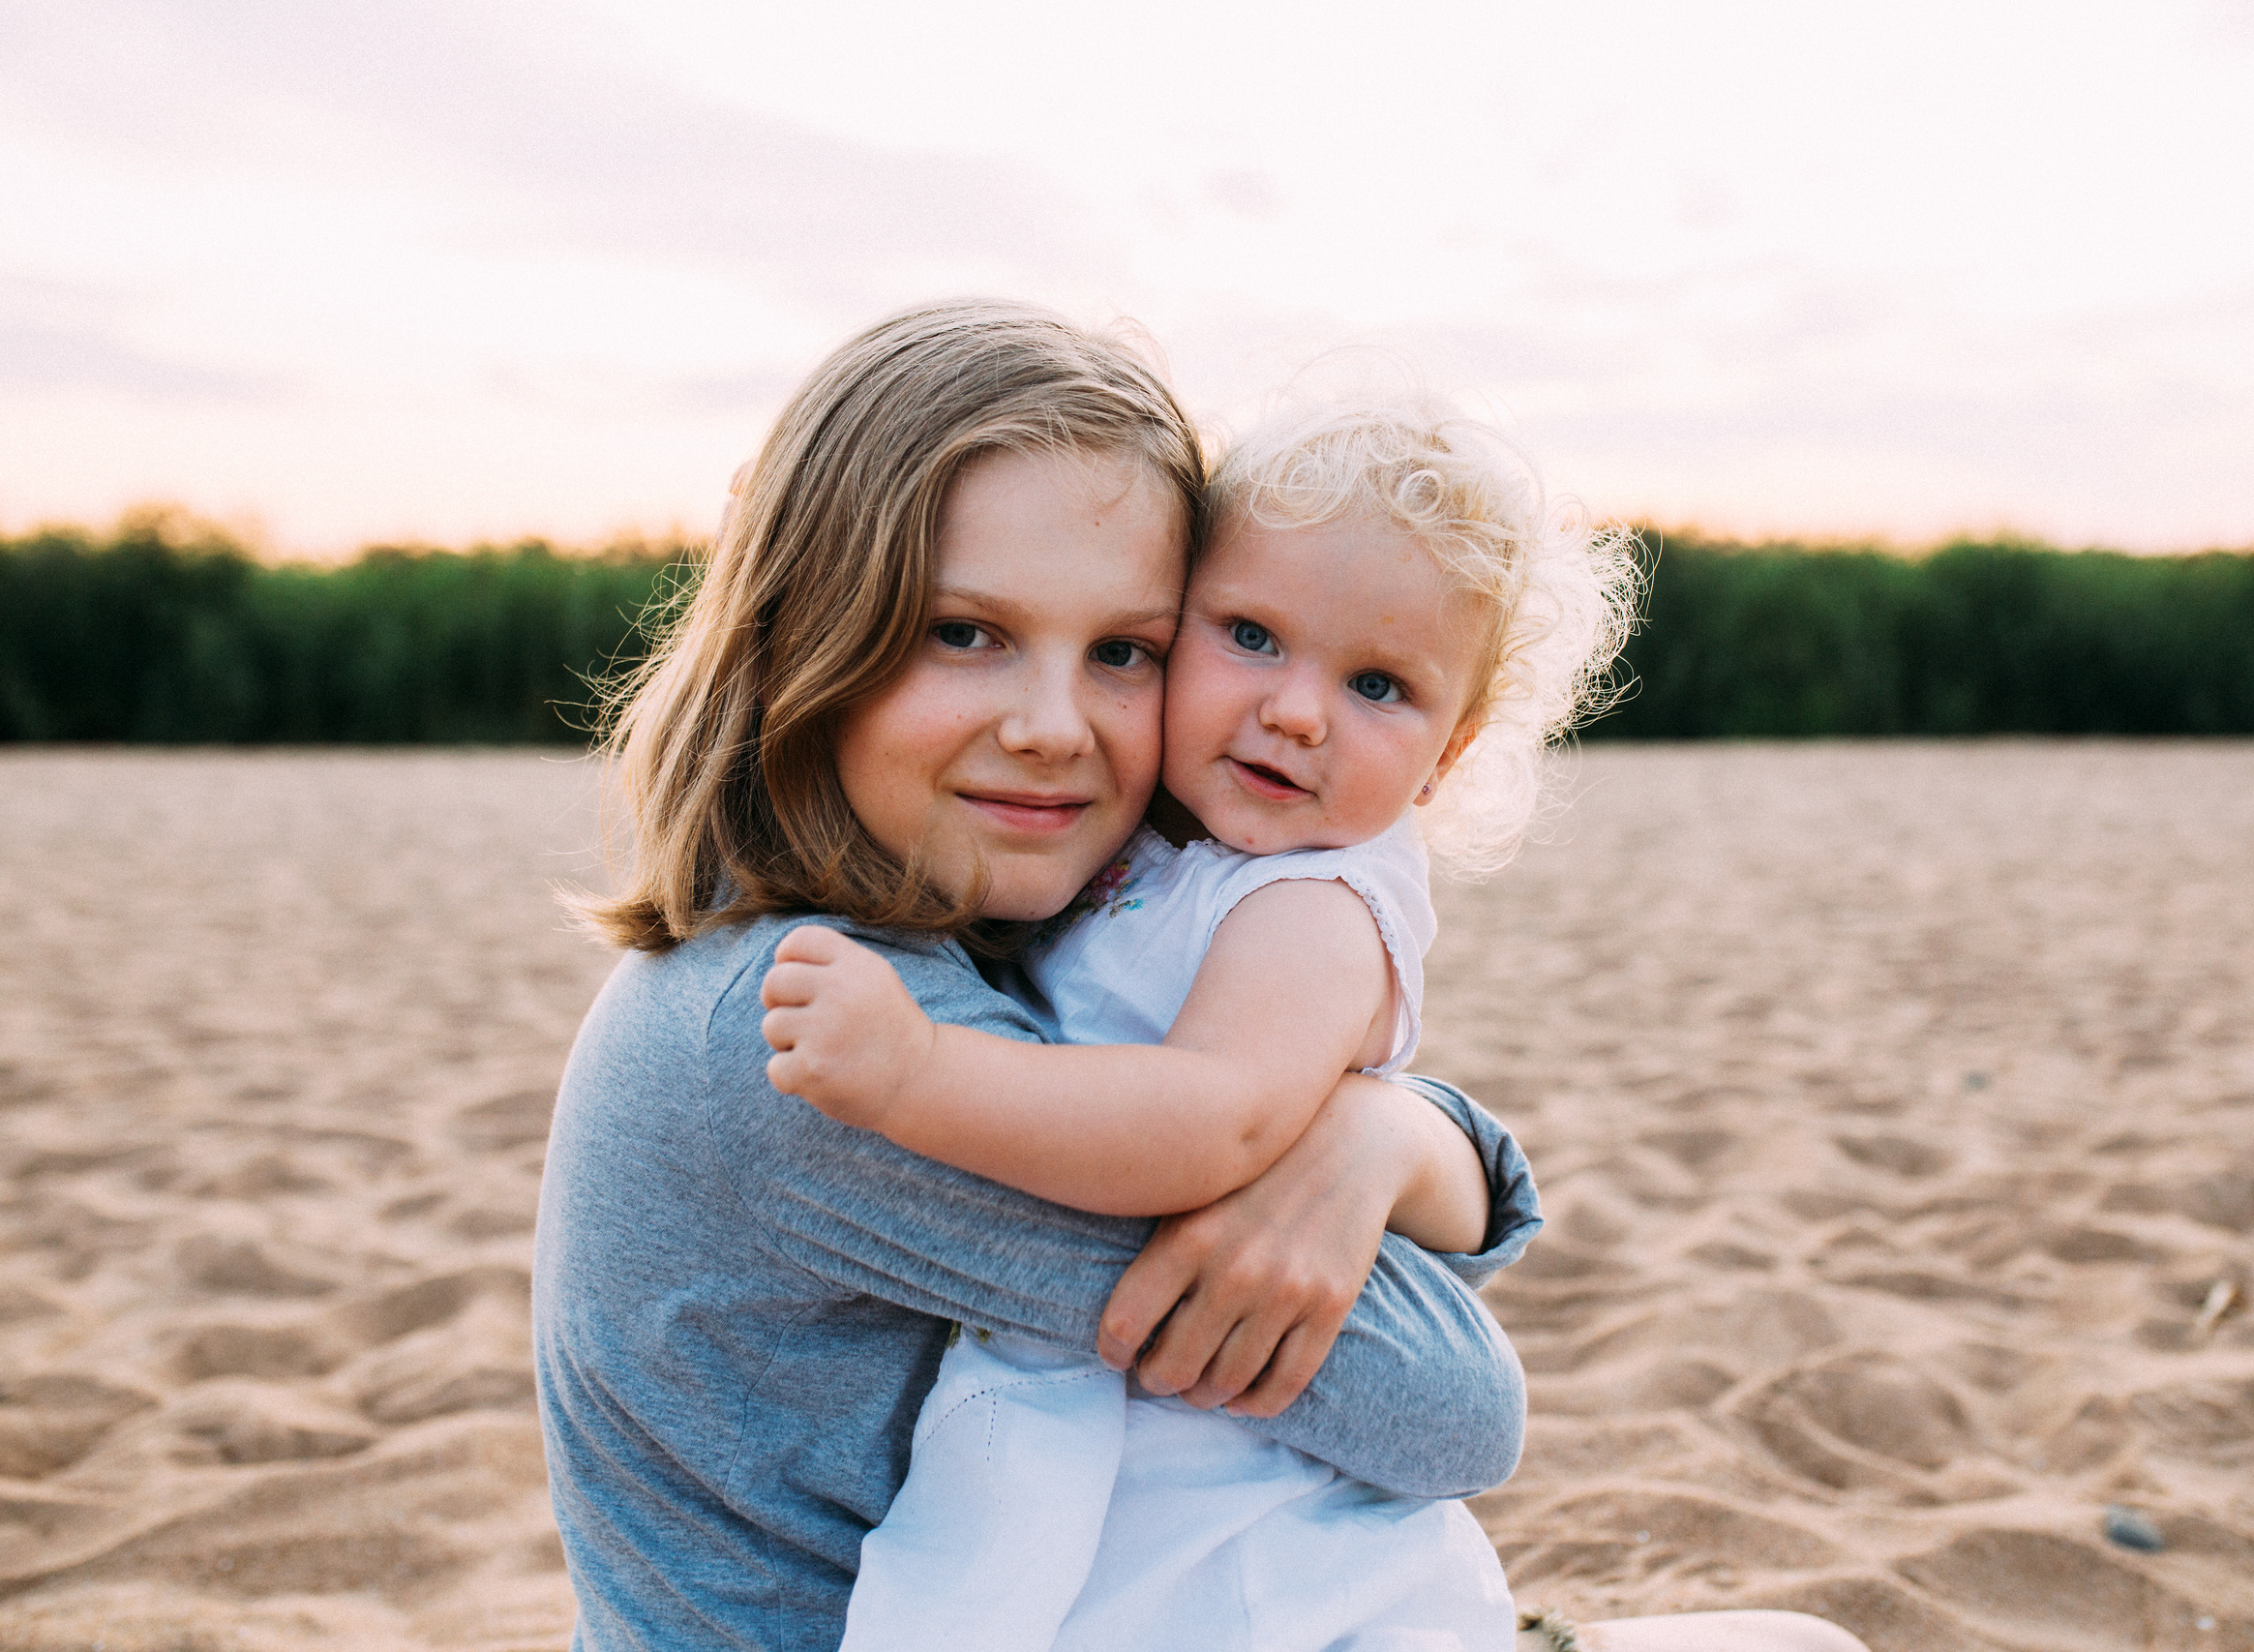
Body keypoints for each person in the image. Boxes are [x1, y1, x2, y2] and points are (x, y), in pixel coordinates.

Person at [533, 299, 1542, 1652]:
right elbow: (1449, 1404)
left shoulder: (933, 950)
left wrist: (1383, 1132)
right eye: (965, 631)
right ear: (802, 622)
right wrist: (1367, 1151)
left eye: (1122, 652)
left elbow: (1343, 1153)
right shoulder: (807, 1040)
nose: (1054, 729)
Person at [759, 394, 1632, 1652]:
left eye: (1378, 683)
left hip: (1247, 1492)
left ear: (1448, 756)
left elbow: (1212, 1122)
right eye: (1251, 637)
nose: (1297, 710)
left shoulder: (1317, 897)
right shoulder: (1168, 851)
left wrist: (916, 1072)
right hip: (1093, 1405)